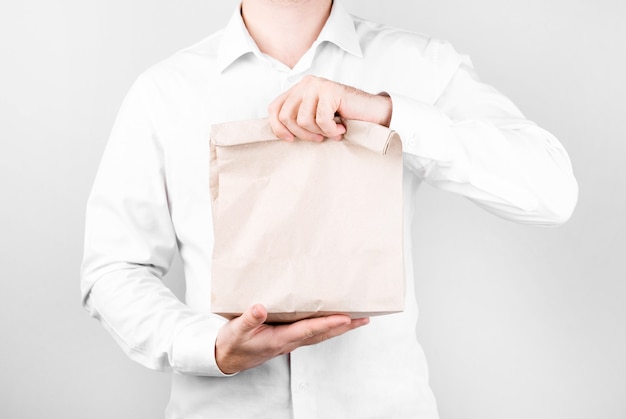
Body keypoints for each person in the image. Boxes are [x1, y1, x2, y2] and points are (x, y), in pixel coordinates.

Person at [81, 0, 578, 418]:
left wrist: (388, 113)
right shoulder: (166, 90)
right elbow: (113, 268)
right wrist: (208, 347)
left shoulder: (418, 64)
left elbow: (552, 190)